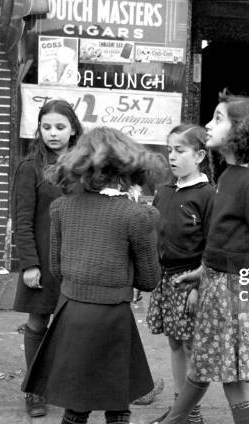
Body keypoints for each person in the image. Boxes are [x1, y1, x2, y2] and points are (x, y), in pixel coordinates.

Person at [150, 90, 249, 424]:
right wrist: (204, 271)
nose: (208, 125)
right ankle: (176, 420)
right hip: (216, 285)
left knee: (230, 378)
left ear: (241, 130)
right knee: (204, 366)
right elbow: (226, 239)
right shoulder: (228, 176)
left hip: (236, 293)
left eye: (218, 118)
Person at [22, 127, 167, 424]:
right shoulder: (136, 215)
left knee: (77, 403)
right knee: (117, 404)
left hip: (71, 313)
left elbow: (57, 270)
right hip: (113, 317)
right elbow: (149, 280)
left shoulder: (61, 207)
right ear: (127, 166)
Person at [12, 99, 83, 418]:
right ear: (38, 130)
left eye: (60, 127)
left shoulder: (86, 165)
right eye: (46, 127)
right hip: (42, 260)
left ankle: (69, 387)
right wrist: (29, 264)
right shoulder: (29, 167)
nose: (53, 133)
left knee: (75, 326)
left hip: (79, 259)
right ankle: (35, 391)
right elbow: (22, 219)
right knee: (38, 321)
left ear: (73, 130)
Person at [146, 125, 215, 424]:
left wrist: (200, 284)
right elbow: (154, 235)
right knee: (175, 342)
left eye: (180, 150)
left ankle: (191, 412)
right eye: (169, 149)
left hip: (192, 280)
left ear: (199, 155)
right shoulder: (163, 192)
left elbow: (214, 244)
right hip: (166, 279)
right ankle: (180, 408)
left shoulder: (209, 195)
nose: (172, 156)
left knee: (191, 345)